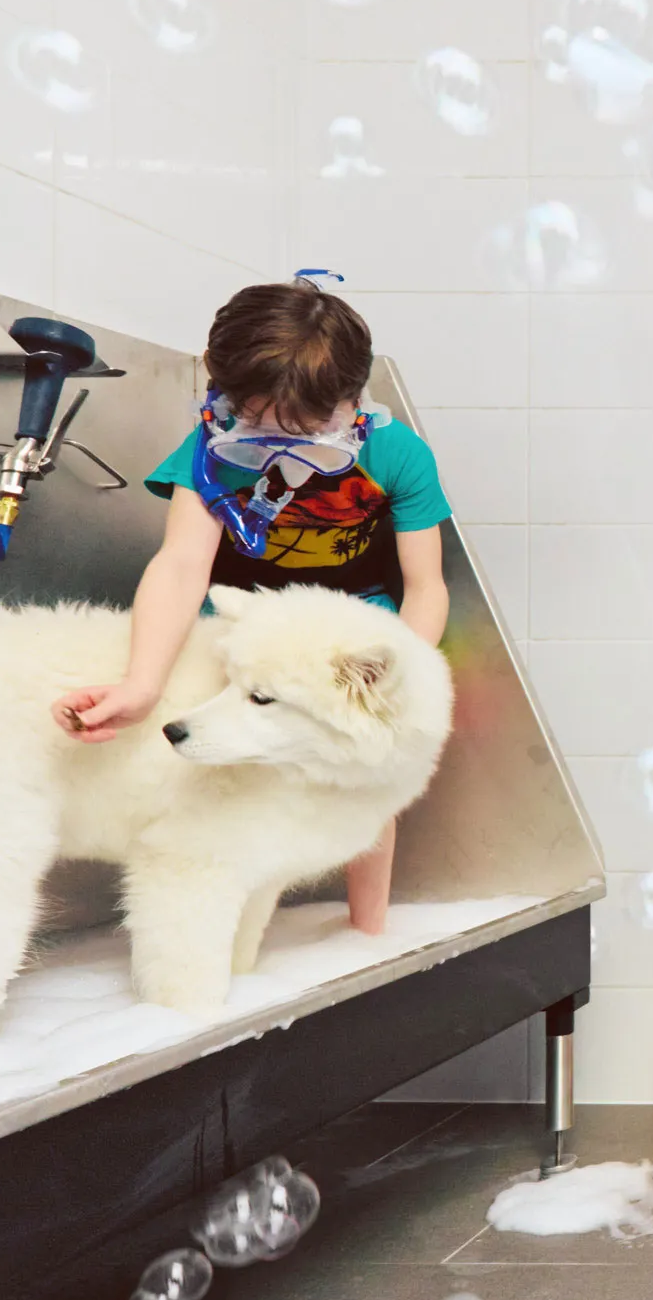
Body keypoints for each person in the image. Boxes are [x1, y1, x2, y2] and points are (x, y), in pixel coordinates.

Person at [49, 277, 453, 936]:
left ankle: (367, 930)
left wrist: (400, 681)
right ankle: (224, 918)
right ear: (224, 402)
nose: (284, 451)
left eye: (309, 432)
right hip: (240, 619)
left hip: (352, 624)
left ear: (355, 404)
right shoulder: (210, 455)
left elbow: (427, 584)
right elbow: (182, 565)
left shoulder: (396, 454)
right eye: (259, 431)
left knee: (369, 780)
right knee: (232, 759)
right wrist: (143, 683)